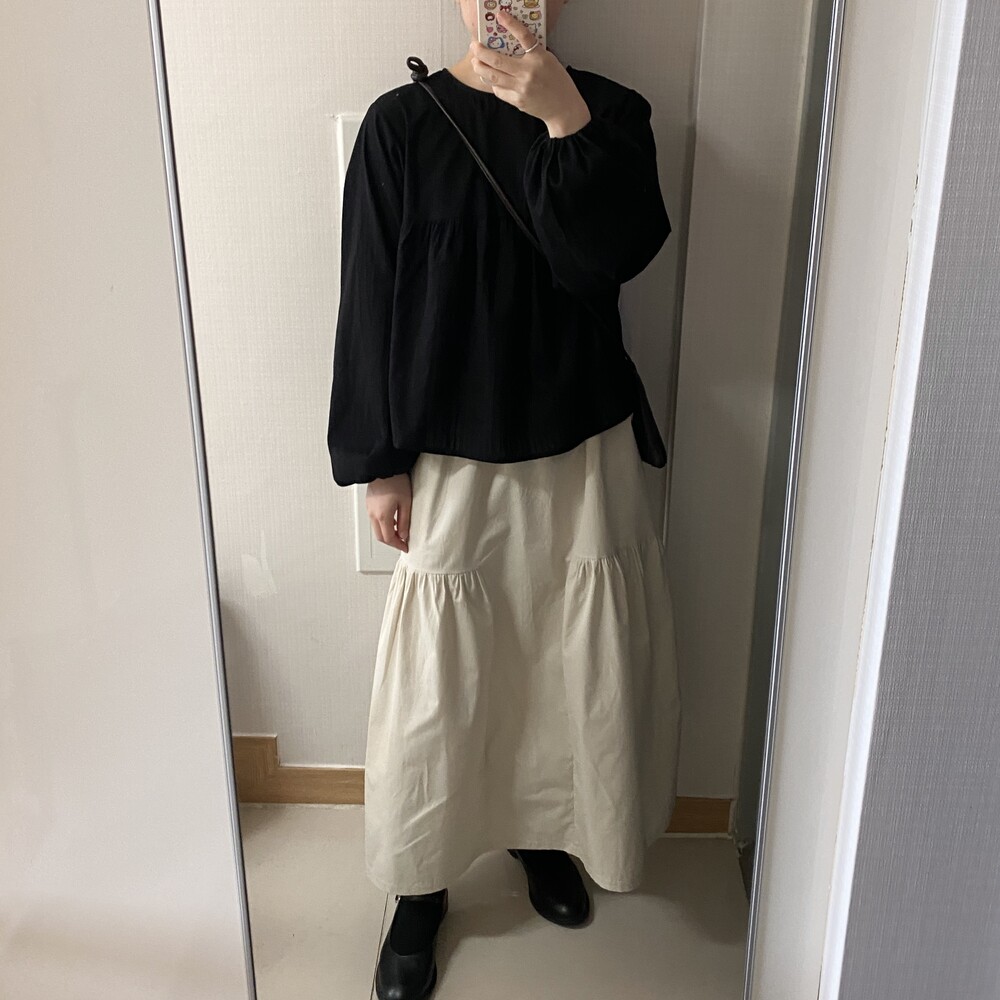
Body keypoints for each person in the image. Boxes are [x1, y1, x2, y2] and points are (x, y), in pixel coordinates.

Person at [326, 2, 682, 997]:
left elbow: (605, 260)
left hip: (581, 442)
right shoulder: (400, 126)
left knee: (563, 665)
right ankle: (420, 885)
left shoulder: (611, 113)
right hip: (449, 451)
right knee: (440, 684)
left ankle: (542, 832)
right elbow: (369, 292)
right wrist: (378, 461)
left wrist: (564, 117)